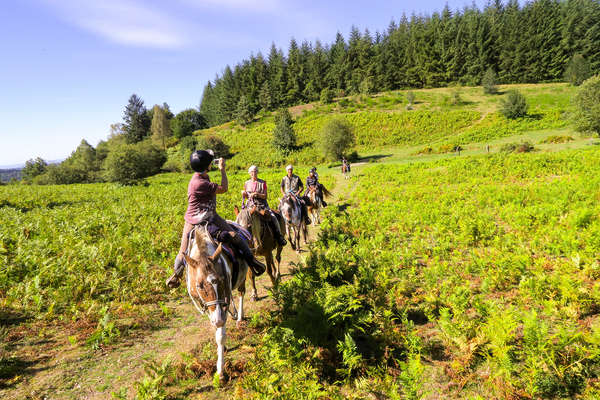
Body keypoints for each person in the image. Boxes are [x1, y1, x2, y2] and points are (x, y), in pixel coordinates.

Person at [166, 150, 266, 289]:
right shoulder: (200, 183)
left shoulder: (199, 177)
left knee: (183, 248)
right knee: (235, 236)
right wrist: (223, 170)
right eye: (209, 162)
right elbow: (224, 188)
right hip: (207, 217)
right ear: (206, 165)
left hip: (193, 217)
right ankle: (253, 262)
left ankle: (176, 274)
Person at [242, 165, 287, 246]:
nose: (253, 173)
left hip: (261, 205)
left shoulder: (262, 183)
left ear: (257, 172)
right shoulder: (246, 183)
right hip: (250, 206)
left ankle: (279, 235)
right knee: (241, 218)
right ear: (249, 173)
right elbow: (246, 197)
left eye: (255, 171)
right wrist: (244, 194)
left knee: (273, 217)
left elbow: (265, 196)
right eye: (252, 172)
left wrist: (257, 194)